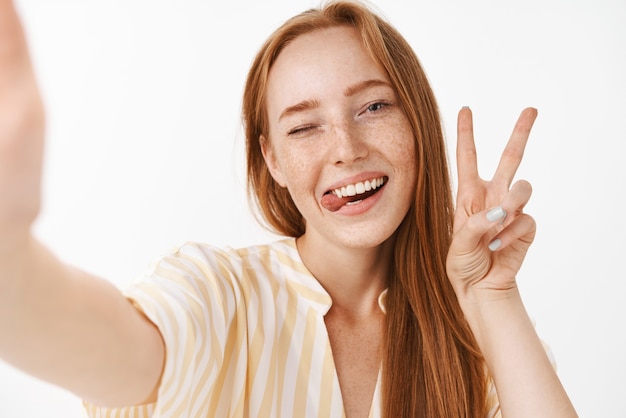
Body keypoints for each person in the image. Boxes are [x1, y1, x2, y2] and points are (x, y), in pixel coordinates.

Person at [0, 0, 577, 417]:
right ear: (271, 161)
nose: (347, 150)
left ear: (418, 123)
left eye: (373, 107)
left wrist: (494, 297)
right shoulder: (216, 293)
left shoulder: (478, 341)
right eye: (304, 127)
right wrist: (9, 249)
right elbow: (110, 348)